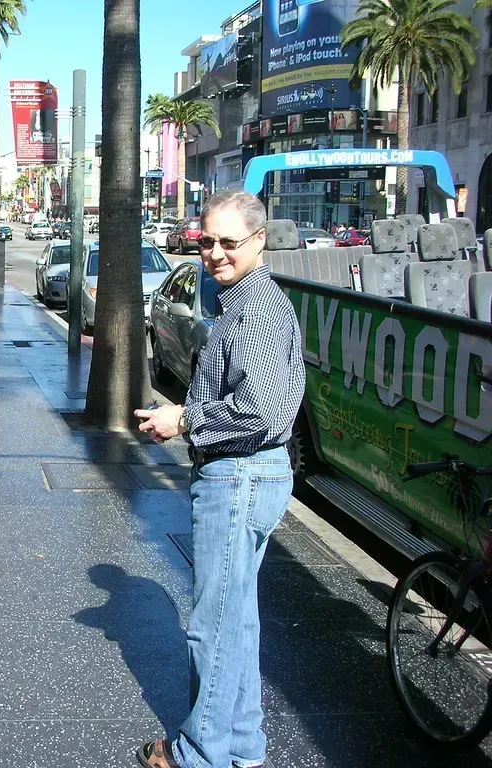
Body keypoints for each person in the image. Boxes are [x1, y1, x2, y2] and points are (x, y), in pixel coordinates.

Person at [133, 190, 304, 768]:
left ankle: (200, 753)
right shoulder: (252, 300)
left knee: (215, 624)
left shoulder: (254, 310)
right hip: (249, 475)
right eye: (206, 241)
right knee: (238, 620)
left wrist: (184, 419)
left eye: (229, 242)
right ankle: (242, 745)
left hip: (238, 477)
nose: (214, 253)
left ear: (259, 240)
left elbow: (263, 409)